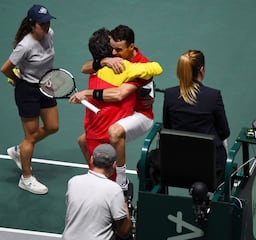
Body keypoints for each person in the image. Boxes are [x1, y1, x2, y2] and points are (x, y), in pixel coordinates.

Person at [69, 28, 162, 181]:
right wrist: (104, 61)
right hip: (128, 110)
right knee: (83, 141)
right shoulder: (114, 59)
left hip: (140, 115)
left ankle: (121, 179)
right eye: (112, 48)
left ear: (130, 47)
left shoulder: (138, 65)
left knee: (114, 132)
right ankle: (98, 176)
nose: (113, 53)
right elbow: (84, 68)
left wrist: (87, 92)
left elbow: (119, 94)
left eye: (118, 50)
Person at [0, 4, 58, 195]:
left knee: (52, 126)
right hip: (28, 91)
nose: (47, 25)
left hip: (46, 85)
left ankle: (19, 150)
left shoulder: (50, 34)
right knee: (30, 138)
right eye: (42, 23)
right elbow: (5, 68)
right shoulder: (24, 46)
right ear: (32, 24)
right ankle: (26, 178)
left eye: (48, 21)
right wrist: (18, 81)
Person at [163, 49, 230, 186]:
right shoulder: (213, 96)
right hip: (211, 168)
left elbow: (168, 127)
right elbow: (224, 132)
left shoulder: (169, 95)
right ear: (202, 70)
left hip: (177, 166)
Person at [62, 143, 132, 240]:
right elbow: (124, 232)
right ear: (114, 165)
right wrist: (125, 203)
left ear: (91, 160)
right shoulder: (114, 190)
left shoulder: (73, 182)